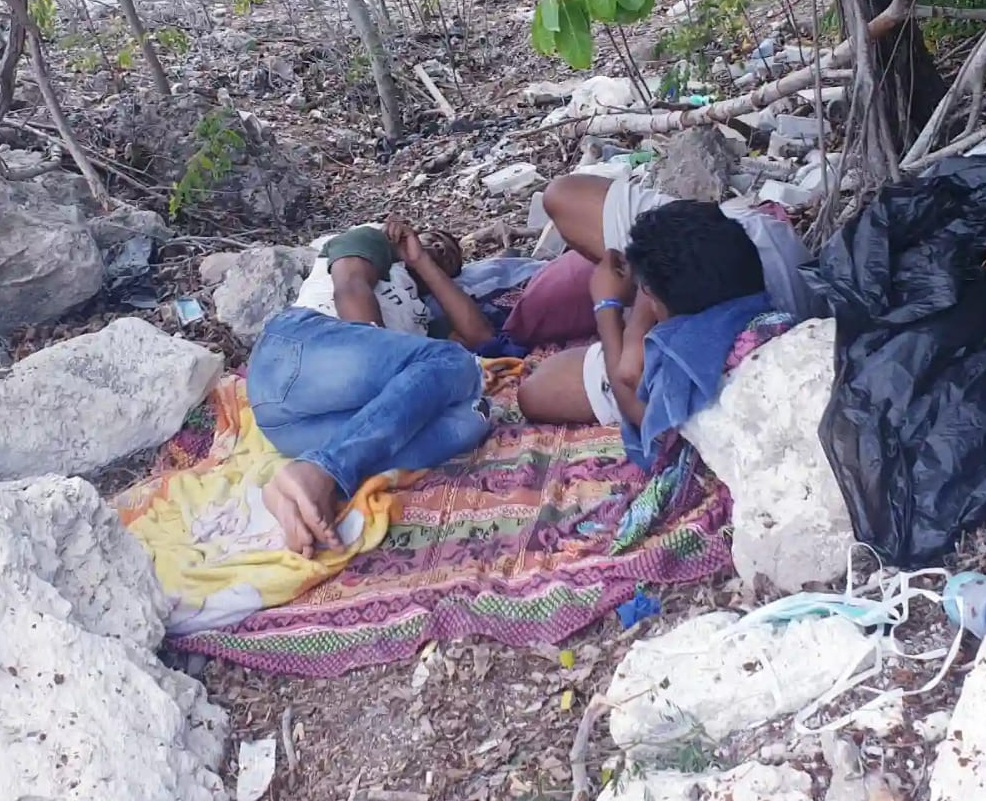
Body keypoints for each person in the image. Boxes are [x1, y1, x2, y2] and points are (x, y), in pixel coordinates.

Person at [248, 218, 498, 556]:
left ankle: (302, 487)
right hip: (294, 353)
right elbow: (350, 286)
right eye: (435, 239)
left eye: (450, 256)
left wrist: (424, 262)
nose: (440, 248)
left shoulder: (423, 319)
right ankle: (326, 470)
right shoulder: (375, 243)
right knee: (457, 362)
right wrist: (406, 253)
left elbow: (480, 337)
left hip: (292, 426)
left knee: (475, 416)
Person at [518, 200, 771, 466]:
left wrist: (606, 307)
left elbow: (653, 430)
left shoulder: (685, 351)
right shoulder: (749, 294)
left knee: (536, 392)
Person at [538, 172, 821, 320]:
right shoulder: (745, 230)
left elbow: (628, 372)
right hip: (735, 258)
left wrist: (607, 308)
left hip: (724, 300)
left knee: (539, 392)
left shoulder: (708, 350)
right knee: (563, 194)